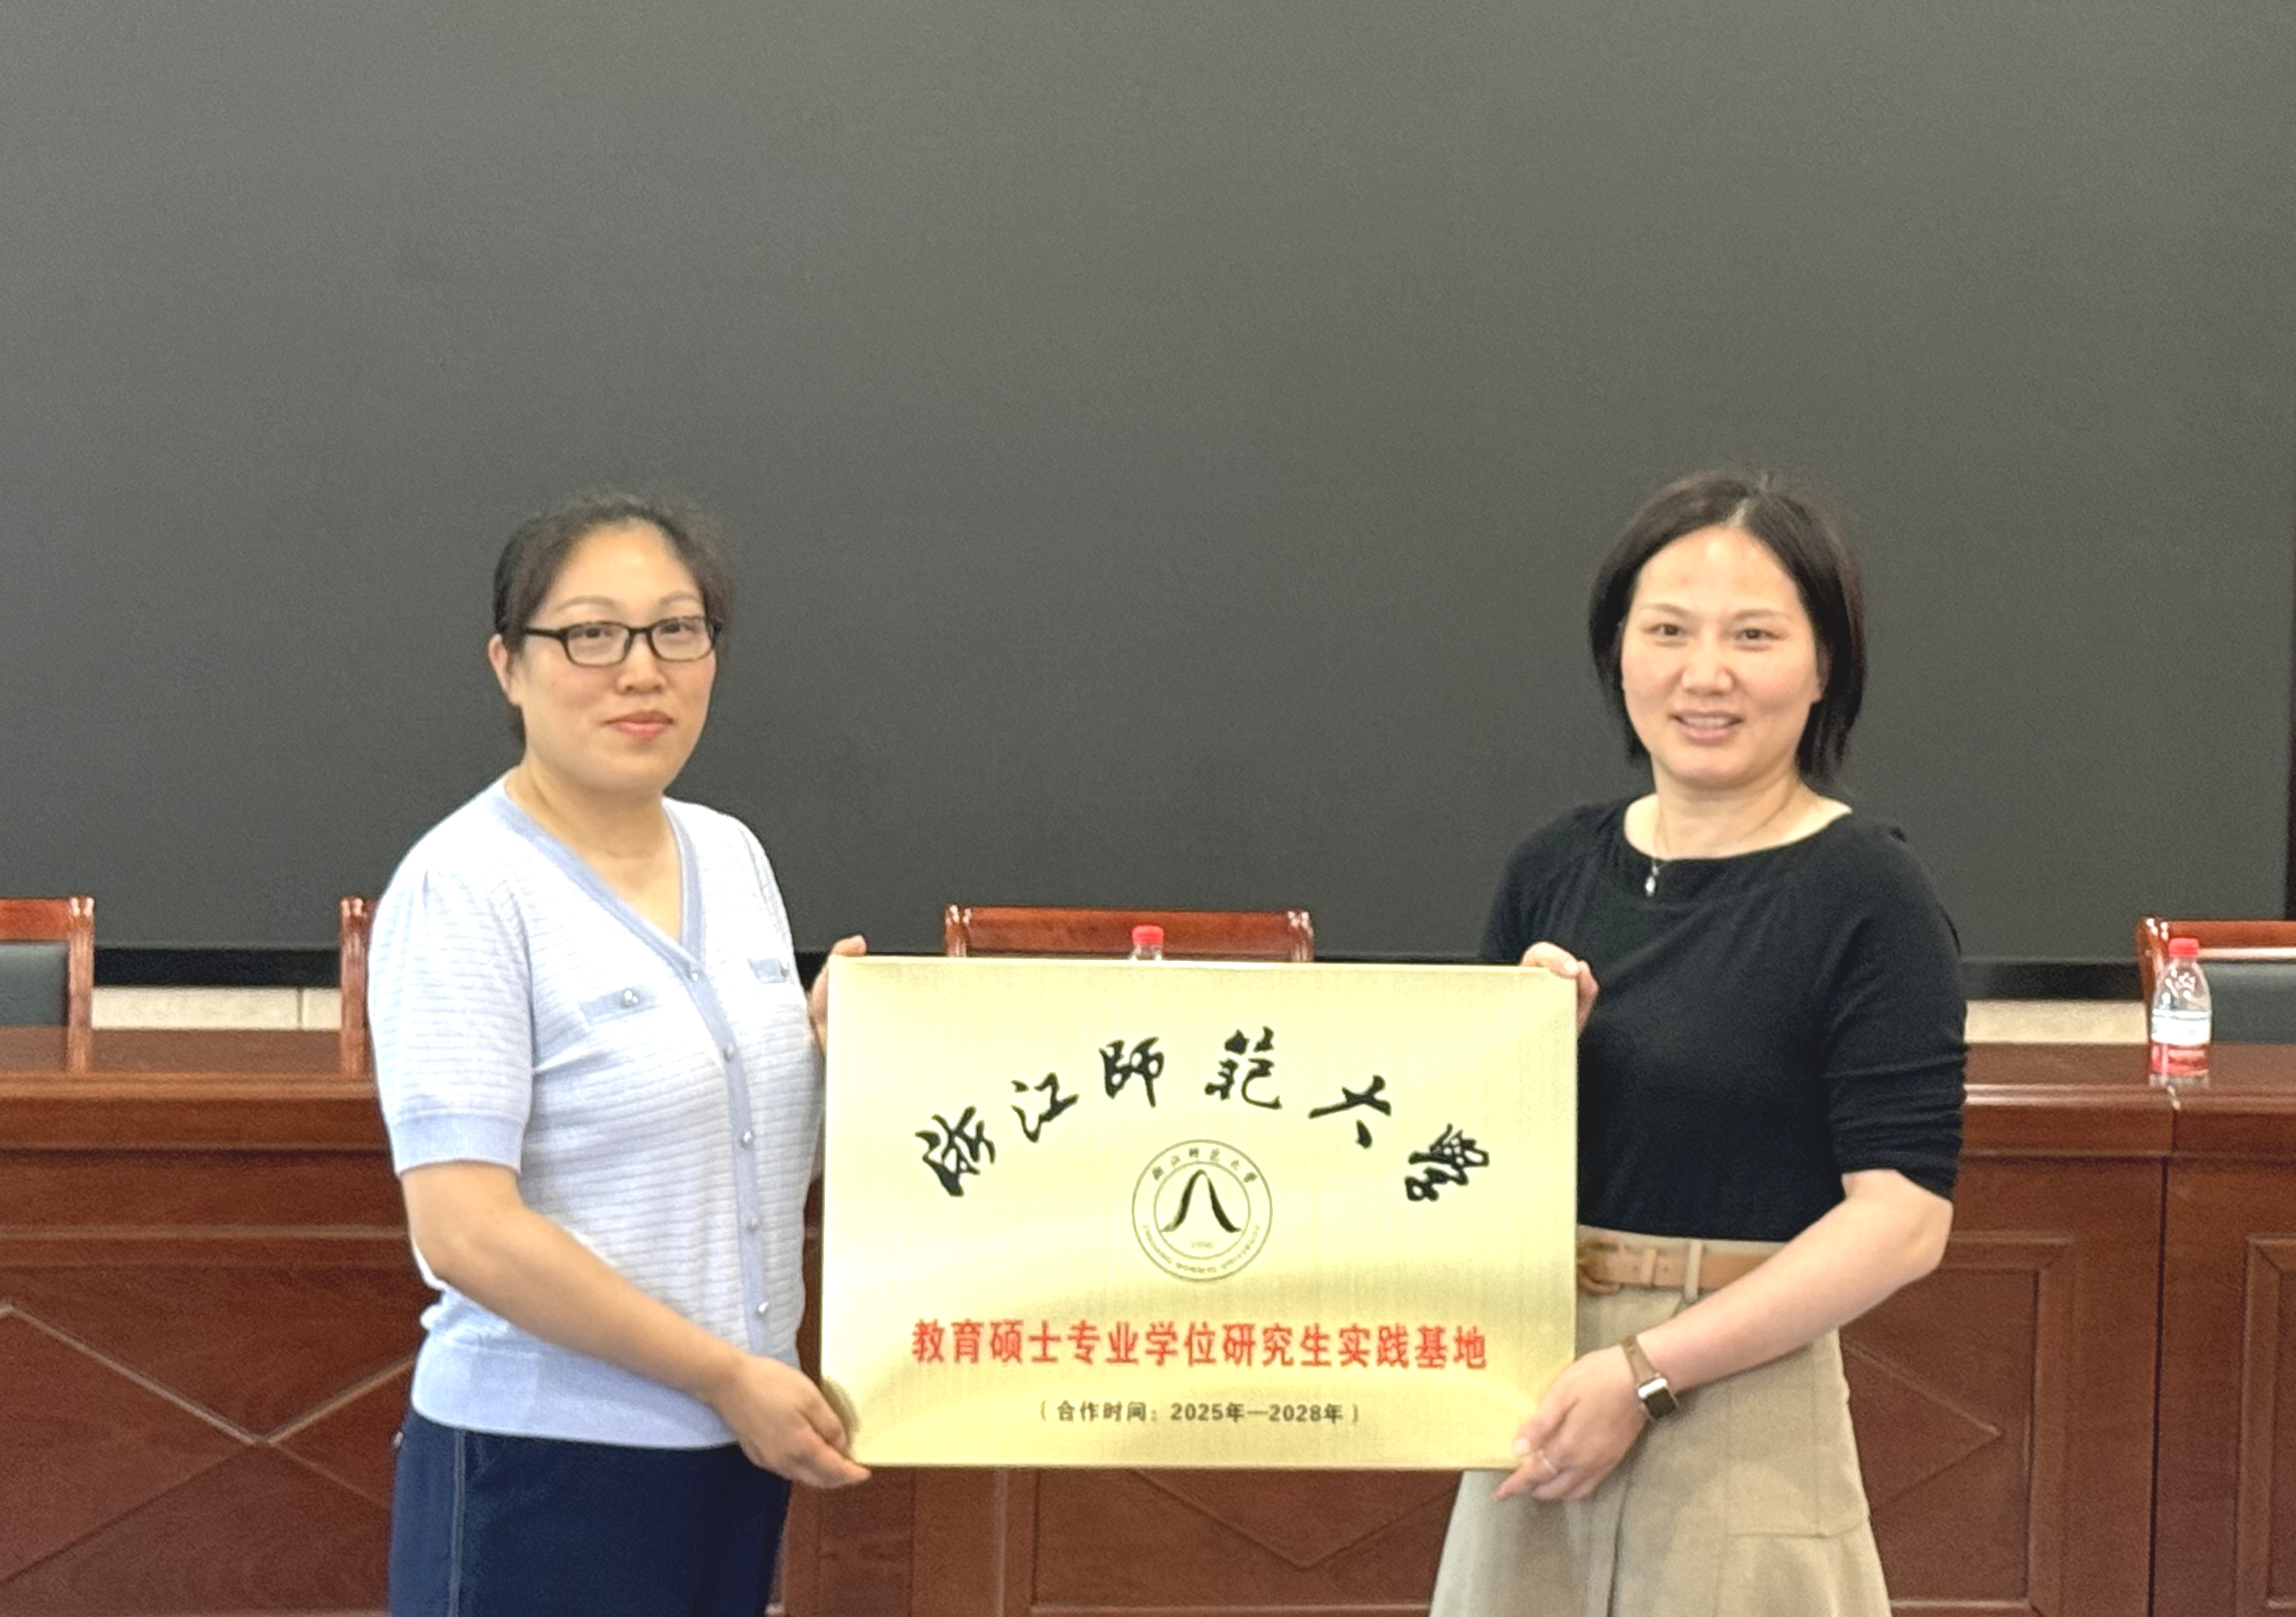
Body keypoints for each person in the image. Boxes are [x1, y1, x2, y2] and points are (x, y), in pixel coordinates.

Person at [1430, 470, 1964, 1615]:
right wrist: (1522, 1067)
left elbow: (1902, 1220)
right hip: (1534, 1385)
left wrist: (1647, 1371)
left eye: (1753, 635)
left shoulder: (1868, 892)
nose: (1704, 672)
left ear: (1823, 665)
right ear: (1617, 652)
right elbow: (1454, 1173)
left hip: (1738, 1391)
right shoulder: (1550, 870)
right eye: (1667, 630)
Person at [370, 492, 870, 1617]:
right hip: (545, 1462)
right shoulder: (466, 885)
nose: (641, 671)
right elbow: (463, 1230)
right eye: (591, 634)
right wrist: (724, 1376)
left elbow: (737, 1147)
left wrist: (839, 1057)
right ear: (509, 665)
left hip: (737, 1445)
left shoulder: (730, 854)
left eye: (677, 630)